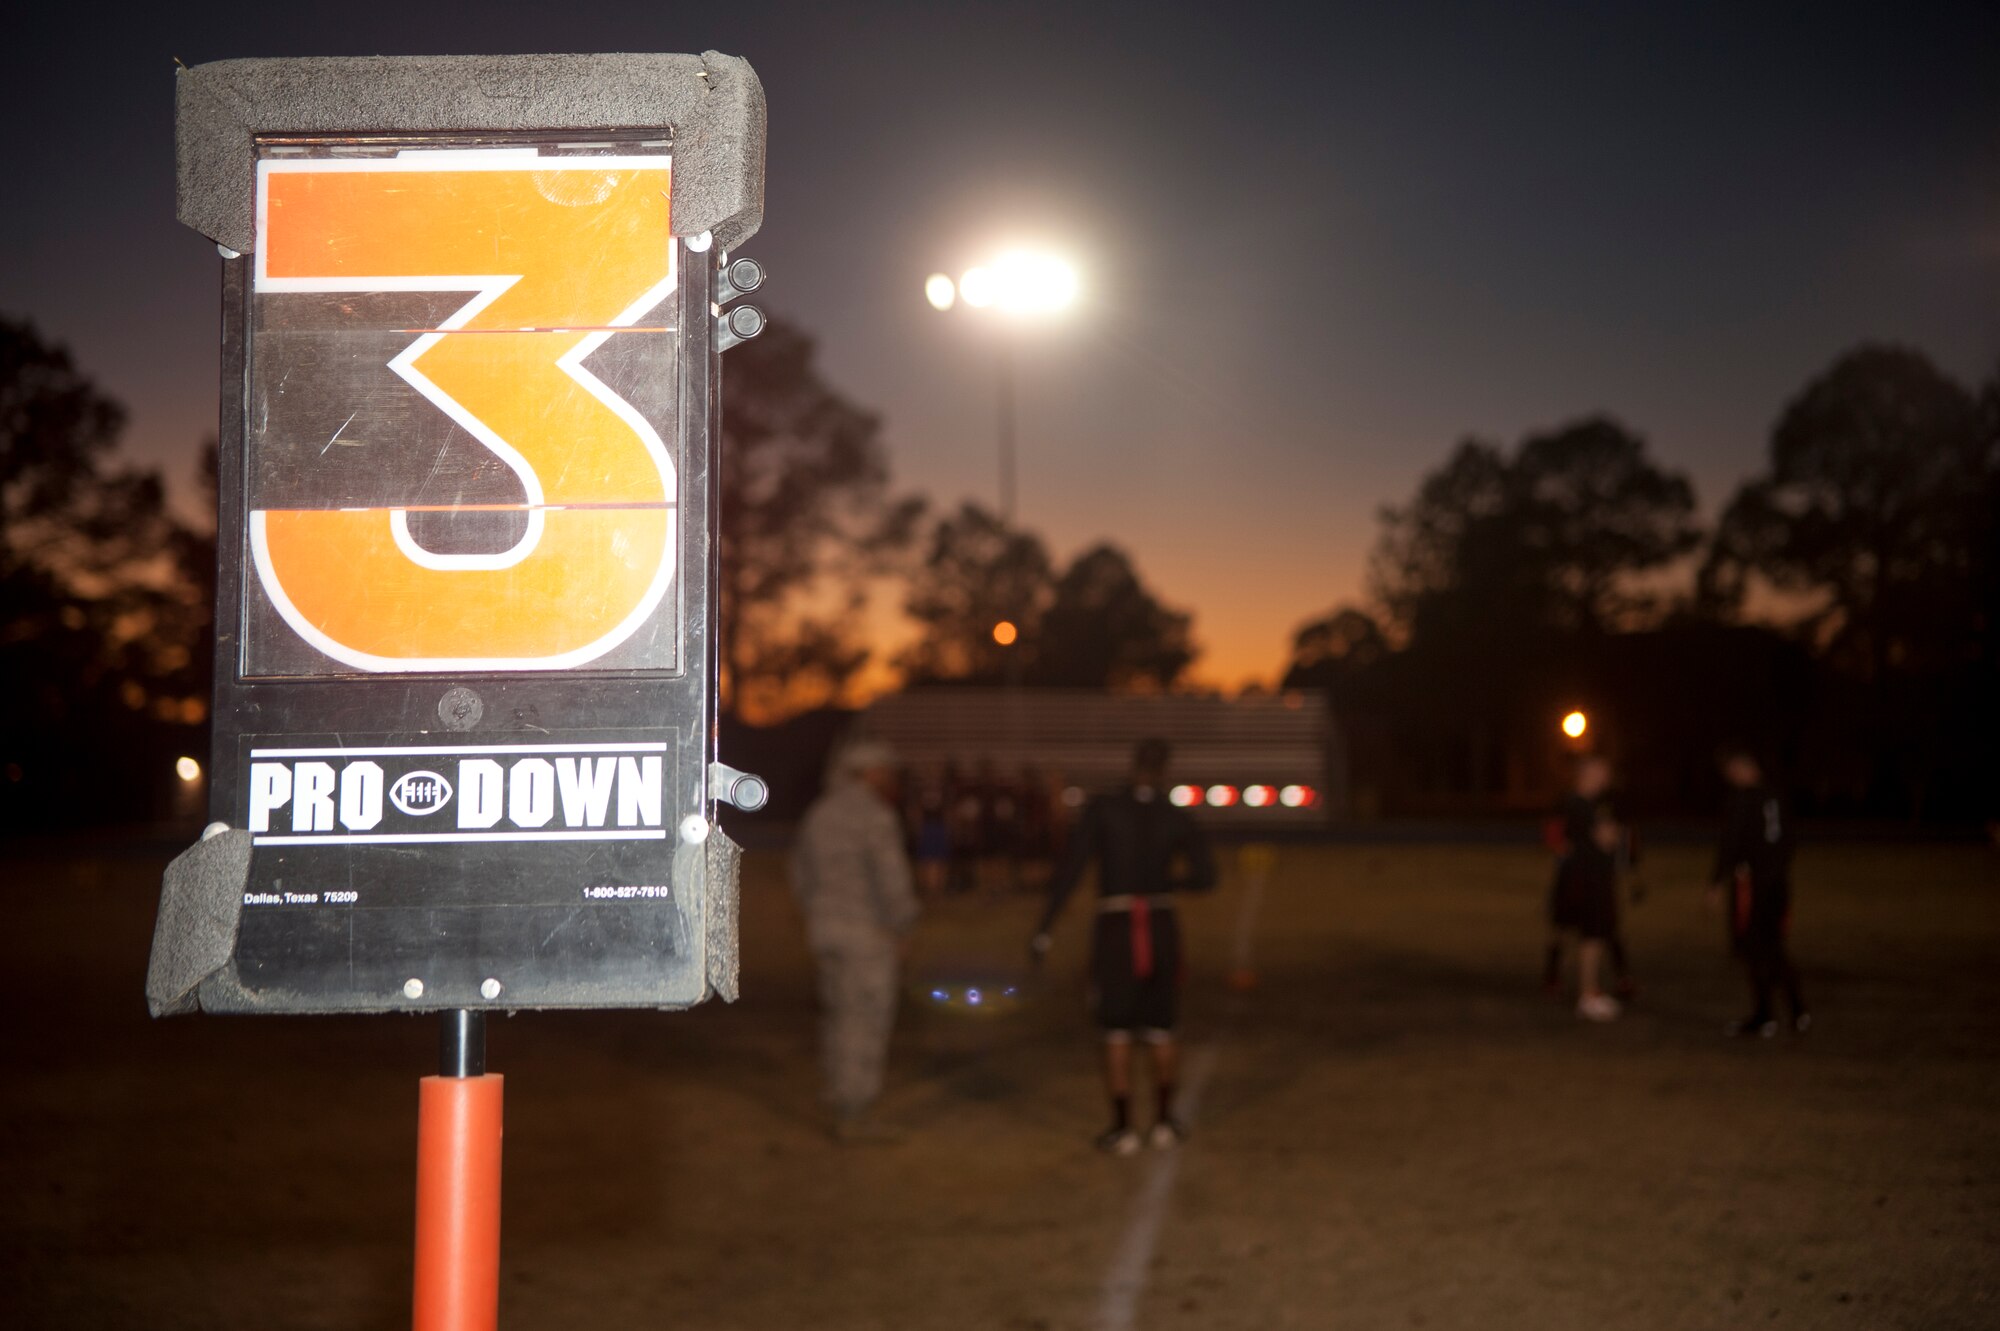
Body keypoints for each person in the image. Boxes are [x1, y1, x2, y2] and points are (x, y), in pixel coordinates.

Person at [1029, 738, 1217, 1154]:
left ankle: (1123, 1128)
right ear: (1166, 767)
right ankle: (1165, 1122)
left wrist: (1044, 928)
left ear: (1134, 764)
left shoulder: (1104, 809)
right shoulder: (1177, 815)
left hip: (1116, 929)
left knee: (1115, 1031)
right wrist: (1168, 884)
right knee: (1163, 1027)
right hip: (1162, 923)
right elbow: (1207, 878)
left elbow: (1072, 871)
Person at [791, 739, 921, 1142]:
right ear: (869, 773)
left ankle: (838, 1094)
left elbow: (798, 872)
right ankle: (854, 1110)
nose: (890, 778)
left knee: (839, 1015)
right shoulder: (874, 815)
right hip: (867, 934)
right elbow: (891, 878)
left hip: (826, 931)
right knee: (865, 1021)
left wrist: (817, 913)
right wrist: (903, 924)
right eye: (885, 771)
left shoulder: (819, 813)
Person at [1710, 746, 1808, 1038]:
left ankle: (1767, 1015)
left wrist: (1718, 880)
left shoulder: (1747, 799)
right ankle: (1796, 1010)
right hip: (1774, 882)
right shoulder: (1773, 796)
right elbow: (1788, 840)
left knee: (1756, 948)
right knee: (1771, 946)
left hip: (1754, 884)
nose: (1731, 775)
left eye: (1734, 768)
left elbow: (1732, 841)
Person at [1544, 754, 1628, 1022]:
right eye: (1601, 770)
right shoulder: (1578, 805)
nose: (1606, 776)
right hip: (1586, 879)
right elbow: (1606, 839)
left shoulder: (1591, 804)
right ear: (1587, 772)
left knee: (1595, 933)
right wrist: (1609, 834)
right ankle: (1587, 994)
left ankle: (1589, 990)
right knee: (1591, 935)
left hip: (1589, 877)